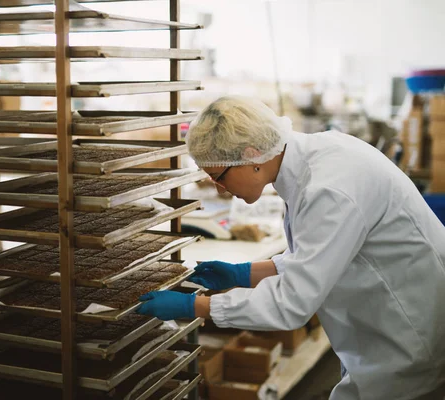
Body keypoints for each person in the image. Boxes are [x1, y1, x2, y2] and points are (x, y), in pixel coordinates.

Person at [136, 96, 445, 400]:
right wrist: (242, 273)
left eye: (219, 177)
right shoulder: (310, 161)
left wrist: (195, 307)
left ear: (252, 155)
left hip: (408, 331)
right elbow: (316, 257)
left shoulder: (328, 189)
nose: (219, 187)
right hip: (387, 318)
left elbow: (292, 304)